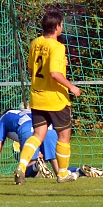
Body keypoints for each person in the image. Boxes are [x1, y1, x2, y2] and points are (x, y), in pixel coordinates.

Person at [13, 10, 81, 185]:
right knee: (64, 136)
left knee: (37, 135)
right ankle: (63, 173)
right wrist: (72, 86)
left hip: (37, 97)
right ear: (57, 27)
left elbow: (31, 69)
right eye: (62, 25)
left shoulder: (35, 43)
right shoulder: (58, 46)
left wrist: (61, 63)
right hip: (56, 100)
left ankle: (21, 165)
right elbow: (54, 73)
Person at [0, 109, 59, 180]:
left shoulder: (4, 118)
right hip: (49, 128)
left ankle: (35, 166)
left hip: (26, 128)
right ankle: (62, 175)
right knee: (56, 163)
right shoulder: (25, 111)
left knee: (28, 165)